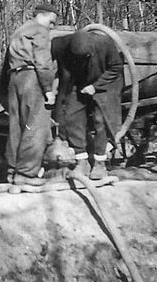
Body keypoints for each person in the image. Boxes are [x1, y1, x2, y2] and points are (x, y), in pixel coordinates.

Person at [51, 29, 123, 180]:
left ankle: (99, 163)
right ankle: (82, 160)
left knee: (100, 119)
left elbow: (116, 67)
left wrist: (95, 87)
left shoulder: (105, 43)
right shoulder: (60, 44)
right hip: (77, 82)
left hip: (105, 82)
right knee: (71, 114)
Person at [3, 3, 58, 187]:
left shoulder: (19, 30)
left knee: (16, 127)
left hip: (14, 79)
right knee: (36, 126)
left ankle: (12, 172)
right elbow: (43, 62)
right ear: (44, 15)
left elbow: (5, 63)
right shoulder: (40, 31)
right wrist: (49, 89)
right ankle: (26, 174)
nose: (52, 26)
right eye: (52, 21)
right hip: (32, 78)